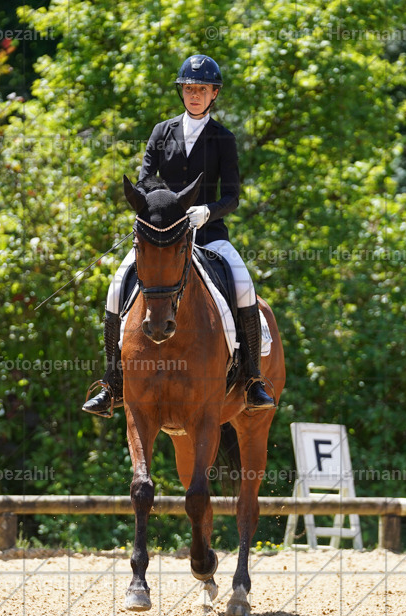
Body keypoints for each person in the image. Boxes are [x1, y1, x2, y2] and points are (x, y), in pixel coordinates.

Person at [83, 54, 276, 417]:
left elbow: (232, 196)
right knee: (115, 285)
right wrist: (162, 208)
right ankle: (111, 383)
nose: (194, 95)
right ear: (182, 92)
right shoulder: (162, 131)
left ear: (214, 94)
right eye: (189, 89)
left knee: (244, 283)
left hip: (208, 233)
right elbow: (144, 181)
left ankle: (252, 378)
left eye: (201, 89)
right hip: (162, 236)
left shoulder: (223, 138)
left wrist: (208, 212)